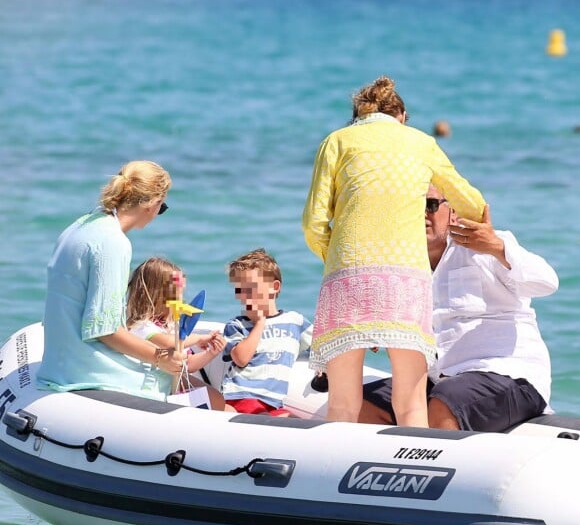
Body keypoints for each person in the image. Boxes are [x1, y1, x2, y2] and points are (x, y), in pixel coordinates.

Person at [302, 75, 486, 425]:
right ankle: (414, 468)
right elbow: (467, 199)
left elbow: (313, 222)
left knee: (342, 404)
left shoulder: (337, 141)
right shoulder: (422, 142)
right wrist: (481, 217)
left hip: (349, 277)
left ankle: (333, 469)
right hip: (406, 280)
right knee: (412, 403)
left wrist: (336, 259)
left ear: (357, 115)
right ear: (401, 115)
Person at [359, 185, 558, 431]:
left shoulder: (486, 246)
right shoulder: (401, 265)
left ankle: (435, 465)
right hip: (439, 379)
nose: (421, 214)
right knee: (365, 403)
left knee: (444, 402)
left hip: (507, 374)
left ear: (452, 213)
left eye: (430, 205)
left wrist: (496, 247)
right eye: (411, 207)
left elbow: (547, 282)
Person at [37, 160, 185, 401]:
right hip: (80, 369)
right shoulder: (113, 242)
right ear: (153, 204)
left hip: (58, 360)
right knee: (171, 378)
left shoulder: (83, 223)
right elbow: (105, 331)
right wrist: (160, 357)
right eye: (163, 206)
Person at [126, 257, 230, 410]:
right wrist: (197, 338)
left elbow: (188, 365)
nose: (182, 300)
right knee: (218, 404)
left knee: (218, 400)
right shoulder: (142, 327)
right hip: (156, 388)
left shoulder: (169, 328)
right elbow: (169, 343)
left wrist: (210, 353)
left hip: (177, 381)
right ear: (157, 295)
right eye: (177, 294)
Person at [221, 248, 313, 417]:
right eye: (240, 290)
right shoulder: (237, 325)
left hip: (274, 403)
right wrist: (260, 323)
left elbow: (323, 344)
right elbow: (241, 359)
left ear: (274, 287)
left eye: (251, 288)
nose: (245, 296)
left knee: (303, 430)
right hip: (240, 397)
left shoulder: (295, 322)